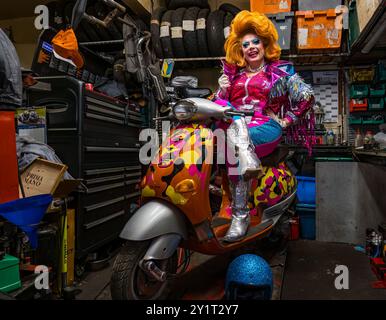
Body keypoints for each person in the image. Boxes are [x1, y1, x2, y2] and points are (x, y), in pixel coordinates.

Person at [216, 10, 315, 242]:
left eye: (255, 42)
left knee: (234, 143)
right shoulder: (233, 76)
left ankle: (240, 216)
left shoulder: (279, 73)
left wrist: (286, 120)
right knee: (210, 137)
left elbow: (307, 97)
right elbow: (219, 104)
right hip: (234, 125)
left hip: (265, 127)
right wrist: (221, 90)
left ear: (264, 43)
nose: (251, 47)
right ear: (239, 49)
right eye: (245, 44)